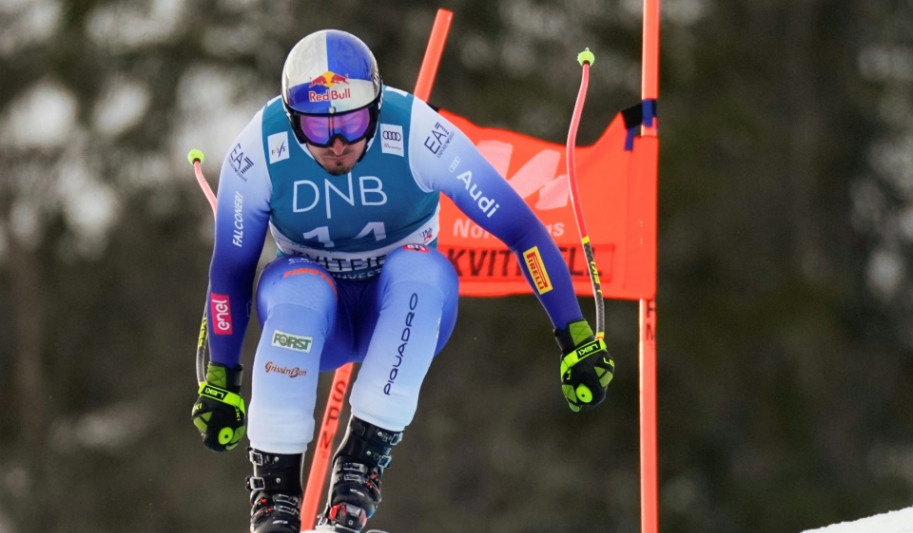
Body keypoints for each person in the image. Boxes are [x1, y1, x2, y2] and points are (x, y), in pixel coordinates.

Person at [189, 29, 615, 533]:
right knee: (301, 286)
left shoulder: (416, 132)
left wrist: (574, 335)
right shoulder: (259, 148)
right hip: (315, 321)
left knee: (423, 268)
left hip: (398, 312)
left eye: (351, 122)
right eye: (318, 128)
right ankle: (275, 494)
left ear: (375, 108)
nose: (338, 144)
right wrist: (222, 377)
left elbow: (521, 230)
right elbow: (231, 271)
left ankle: (359, 466)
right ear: (292, 118)